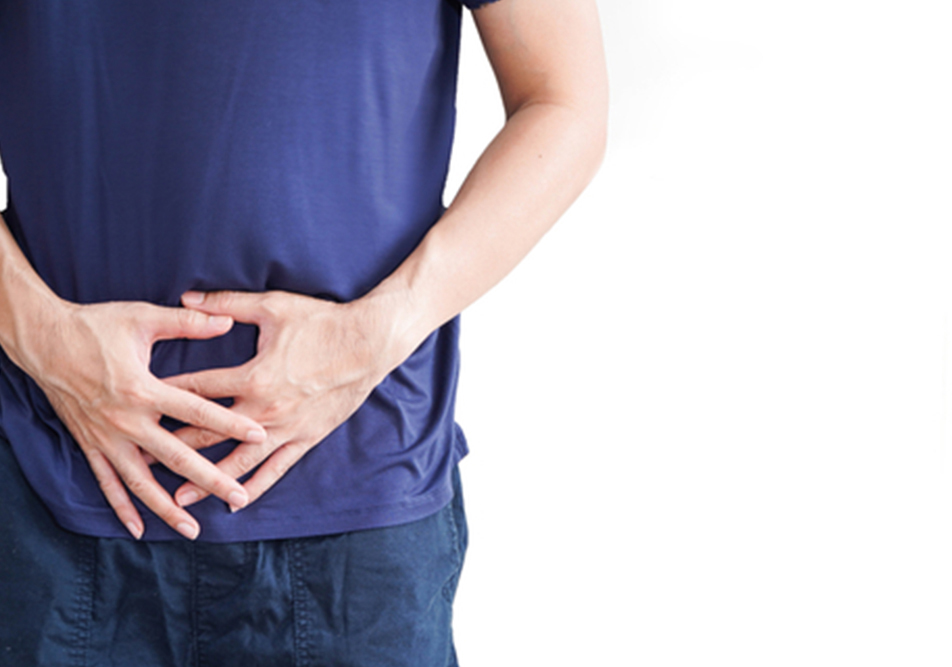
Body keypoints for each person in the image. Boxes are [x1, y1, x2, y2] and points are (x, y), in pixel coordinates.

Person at [0, 0, 607, 664]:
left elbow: (564, 100)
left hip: (359, 503)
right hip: (51, 482)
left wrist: (376, 330)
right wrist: (41, 332)